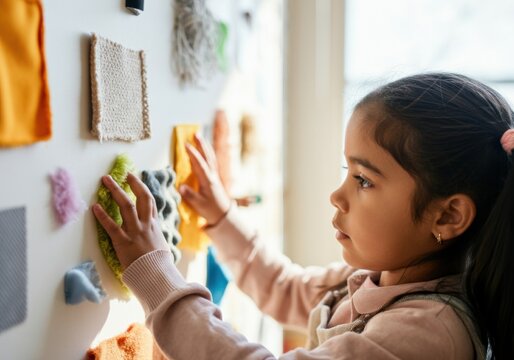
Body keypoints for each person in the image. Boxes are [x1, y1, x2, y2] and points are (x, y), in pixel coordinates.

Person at [92, 73, 514, 359]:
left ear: (448, 216)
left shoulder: (431, 331)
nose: (337, 195)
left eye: (364, 180)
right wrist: (221, 218)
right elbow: (284, 288)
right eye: (346, 172)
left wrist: (156, 276)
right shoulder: (377, 278)